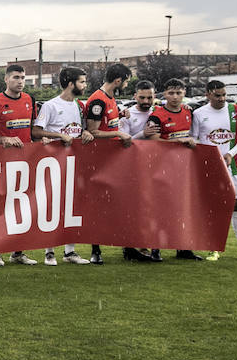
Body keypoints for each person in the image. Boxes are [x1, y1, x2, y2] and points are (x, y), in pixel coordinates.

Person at [191, 80, 237, 263]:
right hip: (208, 168)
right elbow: (193, 139)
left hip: (233, 166)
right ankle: (213, 248)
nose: (222, 98)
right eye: (217, 95)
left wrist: (231, 153)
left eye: (224, 95)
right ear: (207, 94)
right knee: (213, 207)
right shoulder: (199, 114)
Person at [30, 66, 94, 266]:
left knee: (72, 207)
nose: (85, 85)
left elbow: (79, 130)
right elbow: (36, 132)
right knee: (52, 206)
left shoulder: (79, 106)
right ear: (70, 83)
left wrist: (85, 133)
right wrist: (58, 136)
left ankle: (70, 251)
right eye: (82, 82)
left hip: (74, 163)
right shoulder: (50, 105)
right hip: (53, 163)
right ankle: (49, 252)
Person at [0, 64, 38, 266]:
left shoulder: (30, 100)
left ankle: (18, 251)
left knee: (21, 207)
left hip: (25, 162)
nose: (20, 81)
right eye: (16, 77)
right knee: (0, 208)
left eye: (23, 77)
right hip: (1, 162)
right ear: (6, 80)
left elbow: (32, 130)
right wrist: (3, 140)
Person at [82, 63, 135, 265]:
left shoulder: (111, 99)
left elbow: (107, 123)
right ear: (118, 80)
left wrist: (120, 116)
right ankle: (96, 250)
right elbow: (93, 131)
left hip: (114, 159)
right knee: (99, 206)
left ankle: (128, 247)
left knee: (121, 204)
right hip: (100, 160)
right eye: (127, 80)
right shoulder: (98, 99)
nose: (127, 84)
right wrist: (118, 133)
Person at [146, 78, 204, 261]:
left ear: (184, 93)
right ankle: (156, 247)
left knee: (183, 208)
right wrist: (178, 142)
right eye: (171, 93)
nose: (175, 97)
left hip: (183, 168)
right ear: (164, 94)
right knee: (161, 208)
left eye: (178, 93)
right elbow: (153, 141)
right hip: (161, 168)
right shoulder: (157, 115)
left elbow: (193, 137)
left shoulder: (189, 113)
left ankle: (183, 248)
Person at [117, 80, 160, 262]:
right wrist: (143, 134)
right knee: (133, 208)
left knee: (151, 208)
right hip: (132, 168)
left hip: (155, 168)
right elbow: (123, 143)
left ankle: (146, 247)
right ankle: (130, 247)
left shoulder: (158, 114)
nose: (146, 100)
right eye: (142, 97)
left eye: (149, 97)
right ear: (135, 96)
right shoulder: (127, 116)